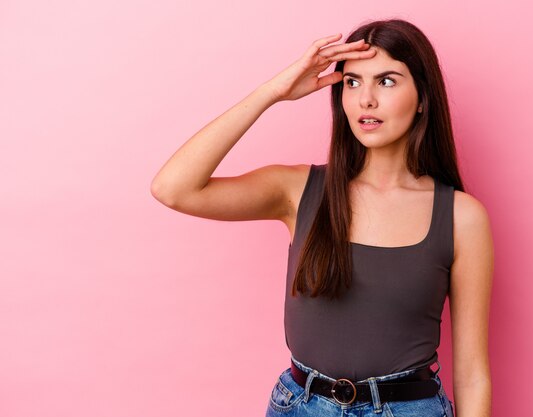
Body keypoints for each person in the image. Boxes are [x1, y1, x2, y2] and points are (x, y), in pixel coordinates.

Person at [151, 18, 493, 417]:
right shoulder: (298, 191)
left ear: (422, 97)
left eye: (386, 81)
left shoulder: (461, 217)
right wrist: (273, 92)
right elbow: (173, 188)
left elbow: (471, 373)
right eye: (352, 82)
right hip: (300, 406)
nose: (366, 99)